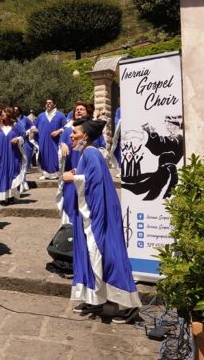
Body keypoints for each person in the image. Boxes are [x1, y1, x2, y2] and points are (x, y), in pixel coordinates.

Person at [62, 118, 141, 324]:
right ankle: (93, 298)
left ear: (85, 136)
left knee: (109, 254)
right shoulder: (84, 153)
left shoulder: (91, 153)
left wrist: (73, 179)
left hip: (99, 213)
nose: (71, 136)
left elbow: (95, 183)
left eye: (75, 133)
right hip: (90, 211)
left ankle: (128, 305)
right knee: (89, 255)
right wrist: (76, 174)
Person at [0, 107, 26, 205]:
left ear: (10, 114)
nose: (2, 114)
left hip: (13, 154)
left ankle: (10, 196)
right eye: (2, 112)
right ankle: (1, 197)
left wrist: (18, 139)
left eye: (5, 112)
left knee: (11, 173)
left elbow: (23, 137)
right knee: (0, 174)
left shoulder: (17, 126)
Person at [32, 98, 66, 180]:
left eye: (50, 103)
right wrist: (34, 129)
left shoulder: (60, 115)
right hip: (43, 140)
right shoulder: (41, 116)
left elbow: (66, 127)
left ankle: (57, 174)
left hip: (55, 141)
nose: (48, 104)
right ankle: (45, 173)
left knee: (55, 156)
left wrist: (58, 131)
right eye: (47, 103)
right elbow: (34, 126)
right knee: (43, 155)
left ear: (54, 105)